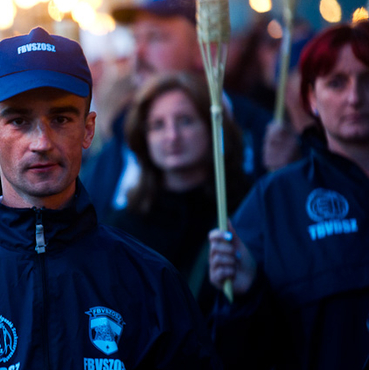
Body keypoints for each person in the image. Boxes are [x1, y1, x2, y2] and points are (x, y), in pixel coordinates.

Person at [0, 27, 220, 369]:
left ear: (88, 129)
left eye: (61, 119)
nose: (42, 142)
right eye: (18, 121)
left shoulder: (149, 280)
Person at [208, 21, 369, 369]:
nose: (355, 97)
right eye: (336, 83)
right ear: (311, 97)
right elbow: (236, 353)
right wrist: (244, 296)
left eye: (368, 80)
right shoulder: (275, 199)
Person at [81, 0, 273, 220]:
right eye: (135, 38)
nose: (138, 53)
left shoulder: (259, 133)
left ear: (204, 49)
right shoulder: (121, 138)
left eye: (155, 37)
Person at [105, 73, 251, 312]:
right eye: (158, 125)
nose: (172, 136)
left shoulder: (245, 208)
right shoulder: (124, 228)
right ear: (143, 138)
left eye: (185, 121)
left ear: (212, 126)